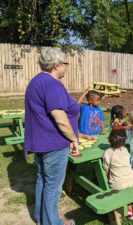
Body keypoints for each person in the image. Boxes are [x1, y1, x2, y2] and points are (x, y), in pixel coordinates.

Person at [24, 47, 78, 225]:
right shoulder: (52, 84)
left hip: (40, 142)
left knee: (43, 181)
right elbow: (61, 119)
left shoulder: (36, 81)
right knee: (53, 187)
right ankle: (52, 223)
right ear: (56, 65)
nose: (66, 67)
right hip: (53, 144)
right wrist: (73, 139)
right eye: (65, 63)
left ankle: (42, 218)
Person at [102, 130, 133, 218]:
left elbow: (105, 168)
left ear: (109, 140)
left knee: (115, 179)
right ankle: (129, 208)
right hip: (131, 180)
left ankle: (123, 209)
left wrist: (108, 177)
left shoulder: (108, 152)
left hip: (117, 184)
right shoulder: (125, 149)